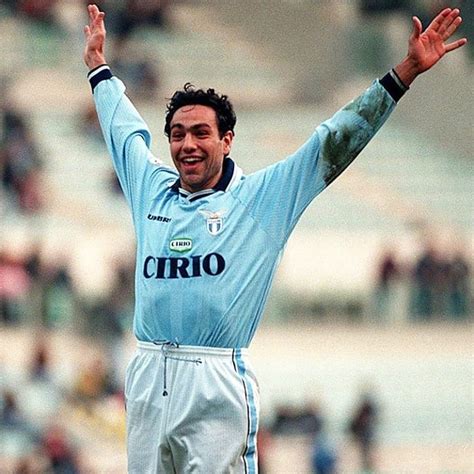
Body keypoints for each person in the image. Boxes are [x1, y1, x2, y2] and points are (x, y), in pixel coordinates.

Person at [83, 4, 466, 472]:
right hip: (145, 376)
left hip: (214, 379)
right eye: (178, 134)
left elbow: (333, 142)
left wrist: (403, 73)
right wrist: (99, 67)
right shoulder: (150, 189)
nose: (187, 145)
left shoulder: (260, 199)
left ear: (227, 140)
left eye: (201, 133)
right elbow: (122, 128)